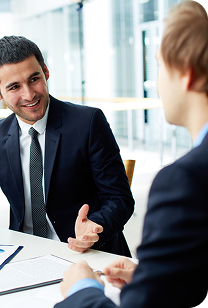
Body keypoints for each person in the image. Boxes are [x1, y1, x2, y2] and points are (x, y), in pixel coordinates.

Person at [56, 1, 208, 307]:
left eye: (159, 66)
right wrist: (154, 277)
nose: (156, 83)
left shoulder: (185, 181)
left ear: (186, 74)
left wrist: (82, 289)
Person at [0, 35, 134, 256]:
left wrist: (95, 227)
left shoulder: (88, 123)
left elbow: (119, 199)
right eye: (14, 87)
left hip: (88, 252)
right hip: (25, 254)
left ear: (46, 72)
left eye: (34, 79)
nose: (29, 94)